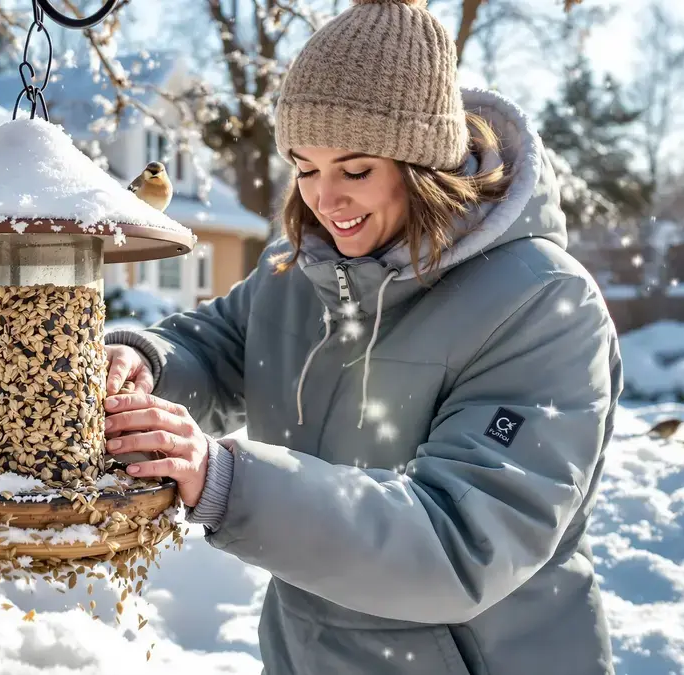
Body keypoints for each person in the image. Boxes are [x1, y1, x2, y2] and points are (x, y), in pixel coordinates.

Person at [101, 0, 623, 673]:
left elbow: (459, 543)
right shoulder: (302, 268)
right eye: (305, 168)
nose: (325, 200)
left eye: (355, 169)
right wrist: (143, 361)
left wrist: (229, 481)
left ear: (424, 162)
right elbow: (222, 345)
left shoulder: (544, 304)